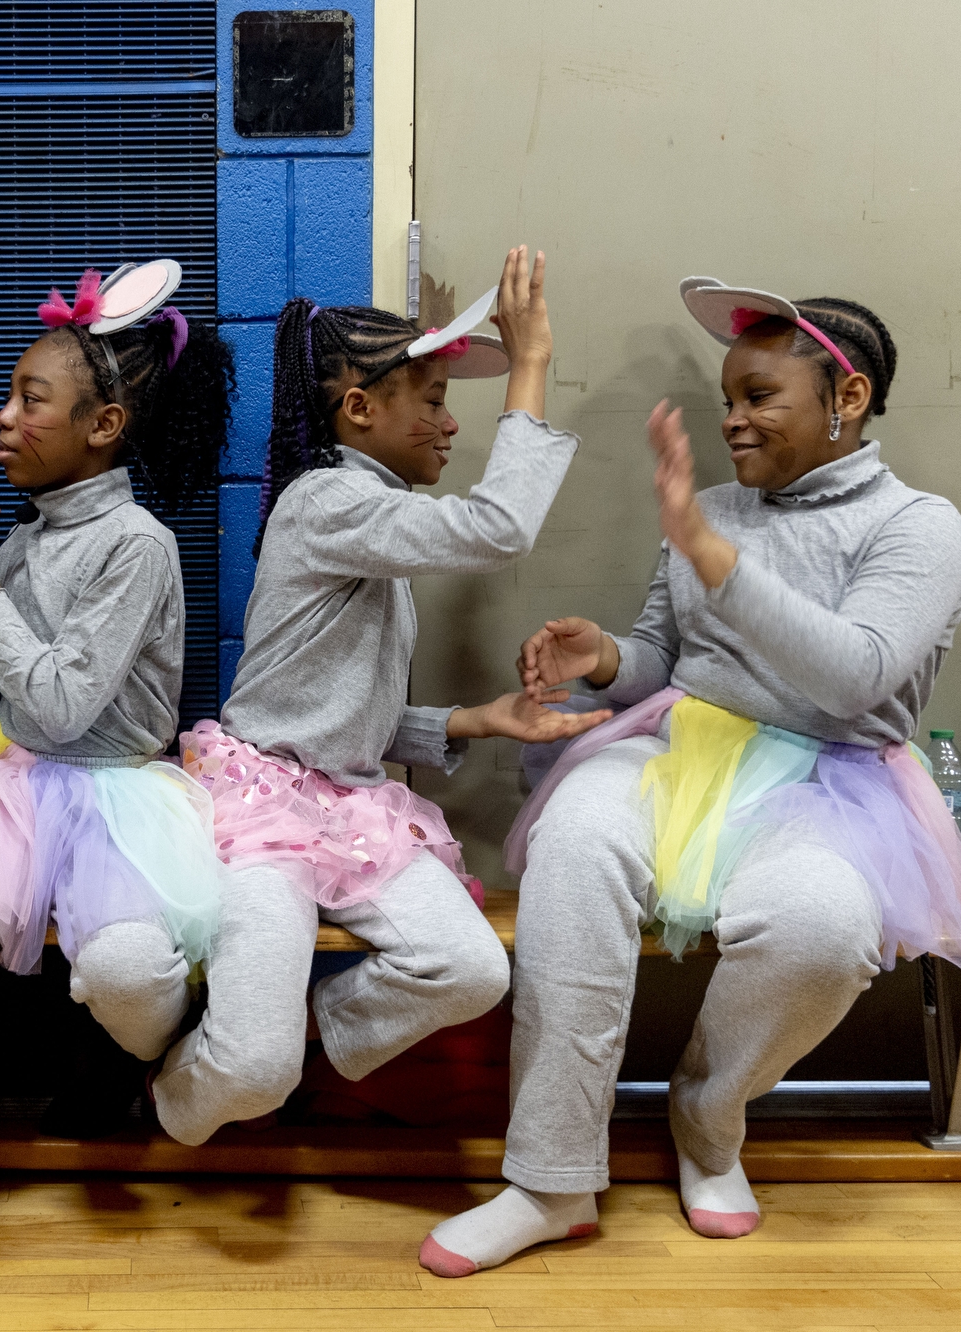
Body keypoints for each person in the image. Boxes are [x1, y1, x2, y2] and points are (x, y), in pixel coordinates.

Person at [421, 280, 961, 1277]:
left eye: (759, 395)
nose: (730, 417)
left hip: (833, 781)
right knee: (576, 843)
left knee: (820, 926)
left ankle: (705, 1116)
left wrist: (713, 553)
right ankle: (549, 1178)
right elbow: (661, 655)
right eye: (727, 396)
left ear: (844, 399)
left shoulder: (918, 526)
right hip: (677, 747)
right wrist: (600, 656)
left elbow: (855, 671)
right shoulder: (711, 510)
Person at [151, 246, 604, 1147]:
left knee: (470, 969)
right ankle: (170, 1097)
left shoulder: (374, 525)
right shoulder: (328, 501)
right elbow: (500, 526)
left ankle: (300, 1045)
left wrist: (474, 721)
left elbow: (334, 712)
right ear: (358, 408)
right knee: (249, 1070)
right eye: (433, 401)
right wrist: (531, 364)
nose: (450, 427)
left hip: (348, 811)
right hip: (264, 810)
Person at [0, 261, 235, 1138]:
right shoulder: (25, 537)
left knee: (130, 973)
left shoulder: (139, 545)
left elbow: (64, 708)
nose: (4, 416)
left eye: (30, 400)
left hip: (121, 800)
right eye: (10, 397)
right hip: (13, 784)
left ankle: (144, 1070)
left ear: (103, 425)